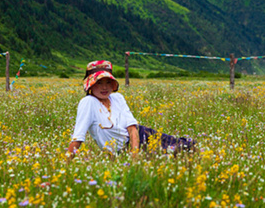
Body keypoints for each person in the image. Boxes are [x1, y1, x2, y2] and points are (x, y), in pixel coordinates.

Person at [66, 60, 195, 160]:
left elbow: (132, 129)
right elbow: (78, 137)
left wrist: (134, 157)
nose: (104, 87)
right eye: (99, 83)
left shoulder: (117, 98)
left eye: (108, 82)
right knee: (173, 153)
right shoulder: (88, 102)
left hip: (141, 137)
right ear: (91, 85)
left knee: (184, 148)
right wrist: (64, 167)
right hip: (124, 151)